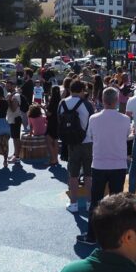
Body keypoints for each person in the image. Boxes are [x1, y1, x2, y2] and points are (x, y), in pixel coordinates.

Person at [76, 87, 131, 245]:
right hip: (119, 165)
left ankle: (91, 235)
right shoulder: (125, 119)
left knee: (95, 201)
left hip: (99, 164)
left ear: (102, 100)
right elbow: (127, 136)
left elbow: (90, 136)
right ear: (116, 100)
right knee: (117, 203)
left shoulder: (94, 118)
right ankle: (116, 236)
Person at [58, 80, 94, 213]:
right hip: (87, 141)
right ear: (82, 89)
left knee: (73, 175)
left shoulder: (62, 103)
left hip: (71, 143)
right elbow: (92, 122)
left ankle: (73, 203)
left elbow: (59, 122)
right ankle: (90, 202)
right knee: (89, 174)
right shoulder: (87, 104)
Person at [45, 86, 61, 166]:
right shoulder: (60, 101)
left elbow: (49, 113)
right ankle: (56, 159)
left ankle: (53, 159)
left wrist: (44, 109)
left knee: (48, 140)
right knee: (55, 140)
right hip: (58, 123)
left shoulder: (52, 101)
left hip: (51, 122)